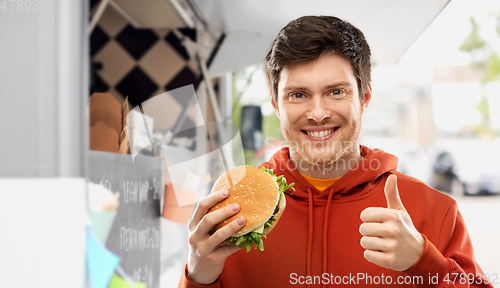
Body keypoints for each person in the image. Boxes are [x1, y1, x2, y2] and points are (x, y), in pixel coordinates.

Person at [179, 16, 493, 287]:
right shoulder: (230, 214)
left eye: (336, 92)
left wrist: (425, 266)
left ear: (365, 96)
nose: (317, 113)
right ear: (276, 104)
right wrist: (198, 273)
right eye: (298, 94)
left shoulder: (434, 211)